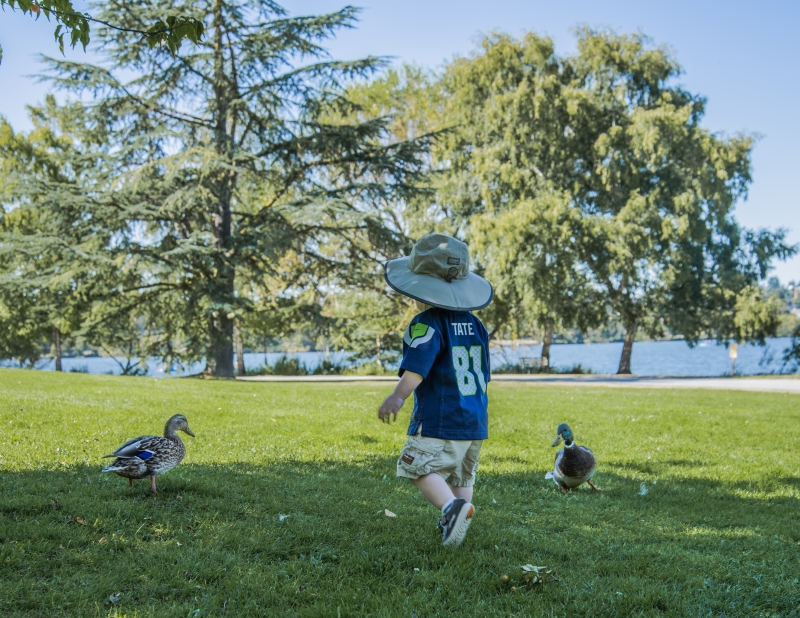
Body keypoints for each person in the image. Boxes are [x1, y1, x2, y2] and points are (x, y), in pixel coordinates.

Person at [378, 233, 493, 547]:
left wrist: (397, 396)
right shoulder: (477, 325)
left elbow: (417, 368)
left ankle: (452, 509)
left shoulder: (425, 324)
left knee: (416, 466)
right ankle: (459, 513)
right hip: (474, 420)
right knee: (461, 475)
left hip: (440, 419)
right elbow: (484, 373)